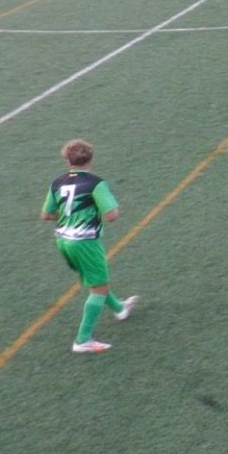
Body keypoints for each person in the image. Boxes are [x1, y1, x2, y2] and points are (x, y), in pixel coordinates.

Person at [42, 139, 137, 354]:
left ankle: (120, 309)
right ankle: (83, 340)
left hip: (63, 241)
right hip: (84, 241)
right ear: (91, 159)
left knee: (94, 279)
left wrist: (69, 216)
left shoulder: (57, 183)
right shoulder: (95, 183)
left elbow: (46, 214)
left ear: (67, 159)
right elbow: (112, 215)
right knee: (99, 287)